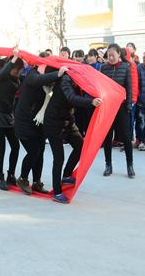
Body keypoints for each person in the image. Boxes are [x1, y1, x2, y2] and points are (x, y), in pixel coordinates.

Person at [44, 71, 102, 204]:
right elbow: (71, 97)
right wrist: (91, 102)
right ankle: (57, 192)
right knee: (59, 158)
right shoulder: (65, 80)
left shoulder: (79, 82)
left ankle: (66, 175)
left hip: (68, 121)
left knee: (80, 146)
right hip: (53, 122)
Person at [15, 54, 67, 195]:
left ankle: (37, 182)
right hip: (24, 122)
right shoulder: (32, 75)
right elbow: (40, 80)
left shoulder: (46, 83)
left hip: (37, 122)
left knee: (40, 151)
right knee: (34, 151)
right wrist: (58, 73)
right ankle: (23, 178)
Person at [0, 48, 23, 190]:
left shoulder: (16, 79)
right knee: (0, 148)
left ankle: (11, 175)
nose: (20, 72)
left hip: (9, 115)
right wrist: (13, 59)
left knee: (15, 145)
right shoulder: (2, 75)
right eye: (19, 69)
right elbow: (2, 73)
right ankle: (0, 177)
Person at [100, 44, 135, 178]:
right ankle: (108, 165)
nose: (110, 57)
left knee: (126, 137)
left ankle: (130, 166)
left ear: (119, 54)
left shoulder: (126, 67)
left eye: (113, 55)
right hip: (108, 107)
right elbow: (101, 87)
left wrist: (128, 105)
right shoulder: (103, 68)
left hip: (121, 107)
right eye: (108, 55)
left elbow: (129, 88)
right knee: (107, 137)